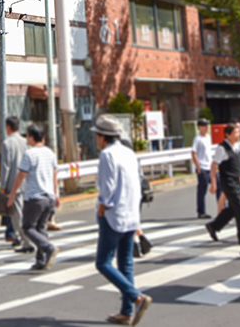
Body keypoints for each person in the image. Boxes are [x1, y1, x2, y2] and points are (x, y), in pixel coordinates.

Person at [93, 115, 153, 326]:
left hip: (113, 214)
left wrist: (102, 207)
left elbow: (107, 187)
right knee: (125, 263)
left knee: (103, 262)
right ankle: (126, 312)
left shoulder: (107, 154)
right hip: (131, 214)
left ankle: (137, 298)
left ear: (102, 136)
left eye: (97, 135)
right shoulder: (129, 152)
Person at [7, 123, 60, 271]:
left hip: (34, 197)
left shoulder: (29, 154)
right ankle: (41, 260)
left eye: (27, 136)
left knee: (28, 227)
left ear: (31, 137)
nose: (26, 139)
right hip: (49, 197)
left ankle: (48, 247)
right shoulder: (50, 153)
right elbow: (55, 175)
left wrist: (12, 193)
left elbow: (21, 175)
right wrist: (56, 194)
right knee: (41, 228)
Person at [205, 123, 240, 247]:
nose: (238, 135)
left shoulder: (237, 146)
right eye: (235, 133)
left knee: (233, 208)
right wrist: (213, 183)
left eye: (238, 132)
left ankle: (214, 226)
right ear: (227, 135)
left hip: (236, 180)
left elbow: (237, 163)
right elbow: (214, 165)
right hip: (228, 181)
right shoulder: (222, 148)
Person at [0, 117, 31, 251]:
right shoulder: (25, 142)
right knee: (19, 211)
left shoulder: (7, 143)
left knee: (17, 213)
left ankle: (27, 241)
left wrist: (3, 185)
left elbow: (5, 166)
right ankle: (17, 236)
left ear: (8, 127)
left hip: (13, 183)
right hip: (26, 181)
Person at [191, 118, 213, 219]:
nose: (206, 128)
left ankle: (222, 208)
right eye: (204, 126)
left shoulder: (208, 137)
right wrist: (198, 167)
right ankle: (201, 211)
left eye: (207, 126)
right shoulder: (197, 139)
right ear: (199, 127)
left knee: (219, 185)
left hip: (210, 167)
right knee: (202, 190)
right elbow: (193, 153)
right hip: (203, 167)